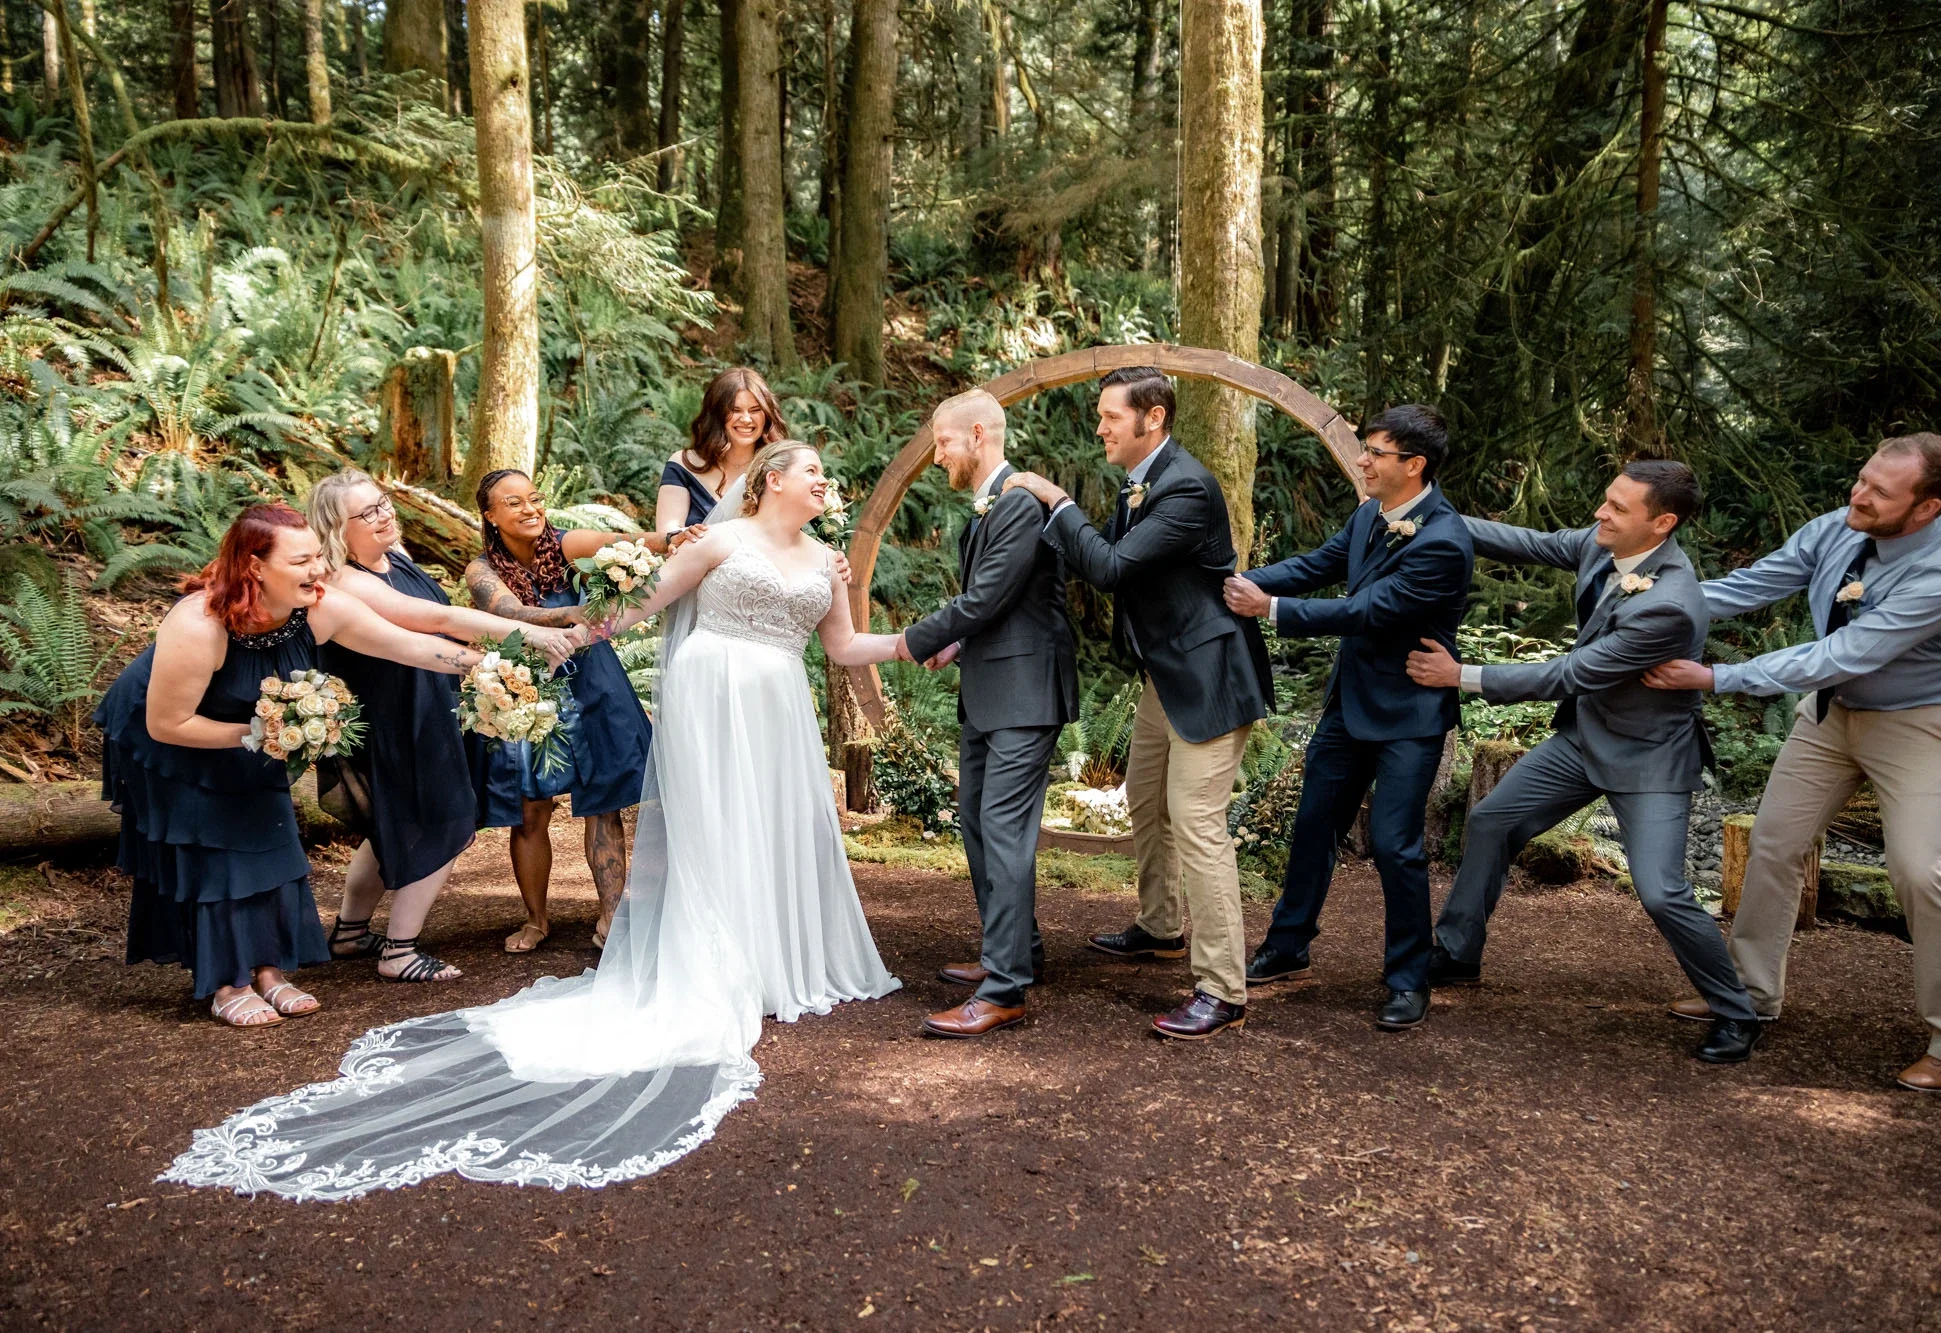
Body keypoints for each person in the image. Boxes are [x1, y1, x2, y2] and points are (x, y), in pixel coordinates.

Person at [164, 442, 904, 1196]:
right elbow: (617, 604)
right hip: (705, 691)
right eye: (811, 468)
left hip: (775, 699)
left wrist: (917, 640)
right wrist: (543, 645)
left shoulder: (823, 558)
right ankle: (706, 963)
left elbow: (827, 638)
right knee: (669, 826)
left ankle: (779, 960)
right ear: (770, 479)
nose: (823, 478)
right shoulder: (717, 541)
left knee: (767, 831)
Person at [1641, 434, 1941, 1091]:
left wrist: (1714, 676)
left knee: (1922, 868)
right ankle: (1746, 991)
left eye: (1880, 493)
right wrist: (1656, 603)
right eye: (1862, 479)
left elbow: (1839, 653)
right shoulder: (1838, 526)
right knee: (1773, 844)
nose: (1858, 495)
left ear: (1926, 508)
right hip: (1831, 716)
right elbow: (1755, 582)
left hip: (1920, 724)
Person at [1405, 460, 1762, 1064]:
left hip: (1647, 758)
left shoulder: (1671, 603)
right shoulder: (1605, 546)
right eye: (1606, 500)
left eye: (1619, 508)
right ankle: (1456, 952)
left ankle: (1736, 1010)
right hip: (1582, 740)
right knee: (1492, 821)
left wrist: (1459, 676)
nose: (1602, 513)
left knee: (1662, 892)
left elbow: (1572, 673)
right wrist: (1421, 515)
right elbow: (1533, 543)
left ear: (1663, 523)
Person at [96, 504, 496, 1027]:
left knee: (272, 839)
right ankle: (228, 982)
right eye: (303, 560)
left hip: (258, 729)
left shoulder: (321, 607)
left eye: (319, 557)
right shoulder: (198, 624)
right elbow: (168, 724)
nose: (318, 570)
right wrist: (268, 734)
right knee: (217, 851)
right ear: (256, 567)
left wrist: (495, 663)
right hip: (170, 740)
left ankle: (269, 971)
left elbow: (412, 646)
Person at [1005, 367, 1275, 1041]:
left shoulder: (1185, 485)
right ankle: (1160, 927)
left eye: (1109, 416)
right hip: (1166, 671)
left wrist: (1057, 502)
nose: (1098, 427)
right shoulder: (1148, 477)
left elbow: (1115, 567)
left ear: (1151, 419)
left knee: (1196, 819)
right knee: (1144, 796)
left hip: (1210, 673)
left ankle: (1222, 987)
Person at [1222, 404, 1473, 1031]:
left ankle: (1408, 977)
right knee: (1312, 826)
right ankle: (1288, 944)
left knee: (1395, 845)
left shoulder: (1443, 540)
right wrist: (1236, 581)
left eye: (1376, 452)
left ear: (1412, 466)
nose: (1362, 460)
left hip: (1409, 714)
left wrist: (1271, 608)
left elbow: (1368, 609)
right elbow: (1317, 564)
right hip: (1348, 705)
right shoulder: (1369, 514)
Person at [304, 470, 585, 982]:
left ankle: (350, 931)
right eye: (367, 513)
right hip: (391, 712)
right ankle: (400, 950)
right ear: (335, 529)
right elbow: (439, 621)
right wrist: (527, 639)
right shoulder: (344, 579)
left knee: (387, 821)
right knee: (446, 817)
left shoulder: (396, 559)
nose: (385, 514)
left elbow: (442, 621)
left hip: (429, 698)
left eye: (383, 503)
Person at [897, 390, 1079, 1038]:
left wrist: (909, 639)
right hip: (990, 686)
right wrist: (957, 641)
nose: (938, 454)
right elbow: (996, 605)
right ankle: (1015, 951)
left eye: (943, 442)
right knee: (975, 816)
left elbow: (983, 597)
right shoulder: (988, 506)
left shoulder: (1019, 504)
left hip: (1026, 691)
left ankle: (1005, 989)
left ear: (977, 433)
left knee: (1003, 828)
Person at [465, 470, 688, 954]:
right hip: (525, 689)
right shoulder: (480, 570)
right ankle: (536, 919)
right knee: (530, 810)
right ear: (490, 514)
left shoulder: (566, 545)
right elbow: (508, 613)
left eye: (535, 498)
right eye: (514, 502)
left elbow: (628, 540)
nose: (530, 509)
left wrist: (675, 538)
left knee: (603, 801)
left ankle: (610, 913)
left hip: (592, 681)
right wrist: (565, 615)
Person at [655, 367, 787, 532]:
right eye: (735, 410)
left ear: (767, 415)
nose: (746, 419)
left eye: (755, 410)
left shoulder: (781, 469)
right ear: (716, 415)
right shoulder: (683, 464)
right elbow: (667, 532)